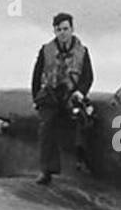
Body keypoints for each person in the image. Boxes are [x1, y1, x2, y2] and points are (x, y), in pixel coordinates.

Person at [31, 12, 94, 183]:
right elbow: (36, 76)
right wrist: (36, 99)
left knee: (84, 119)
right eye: (59, 29)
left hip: (71, 94)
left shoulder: (82, 51)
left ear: (72, 29)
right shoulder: (46, 50)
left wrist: (80, 91)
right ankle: (46, 170)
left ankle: (82, 160)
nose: (63, 33)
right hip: (51, 95)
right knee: (46, 125)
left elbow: (88, 76)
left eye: (66, 29)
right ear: (54, 31)